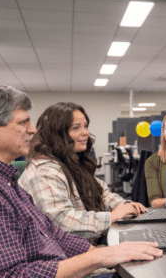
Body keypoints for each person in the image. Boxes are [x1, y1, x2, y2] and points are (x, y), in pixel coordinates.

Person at [0, 84, 166, 278]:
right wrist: (100, 258)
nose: (32, 130)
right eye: (23, 122)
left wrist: (105, 253)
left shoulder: (5, 178)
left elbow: (53, 231)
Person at [19, 102, 146, 245]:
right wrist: (111, 217)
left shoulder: (73, 161)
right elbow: (61, 223)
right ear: (56, 134)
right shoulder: (44, 172)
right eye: (76, 128)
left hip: (90, 244)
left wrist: (125, 206)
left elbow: (102, 194)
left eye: (85, 126)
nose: (85, 132)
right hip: (67, 257)